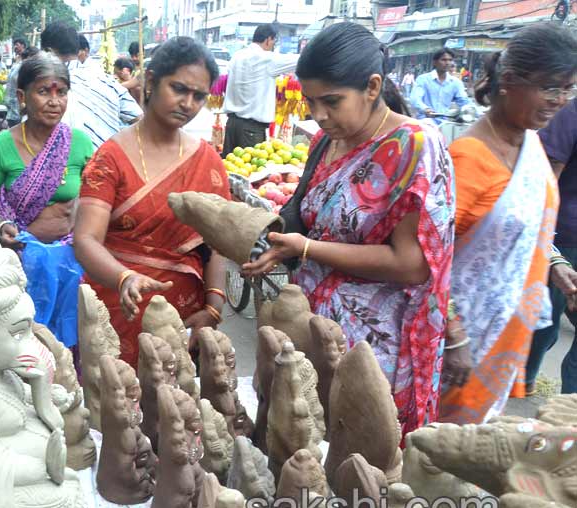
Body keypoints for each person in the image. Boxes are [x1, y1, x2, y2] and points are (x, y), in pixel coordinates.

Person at [242, 21, 455, 438]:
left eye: (331, 102)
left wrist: (306, 249)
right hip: (314, 330)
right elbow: (308, 210)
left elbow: (411, 264)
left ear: (372, 87)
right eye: (310, 102)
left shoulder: (414, 146)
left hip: (373, 348)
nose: (318, 115)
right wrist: (276, 244)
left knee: (359, 461)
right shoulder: (330, 139)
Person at [441, 23, 577, 424]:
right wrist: (455, 337)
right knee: (439, 447)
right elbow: (429, 259)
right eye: (551, 88)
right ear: (510, 82)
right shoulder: (469, 158)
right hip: (463, 338)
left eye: (568, 89)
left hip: (504, 332)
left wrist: (554, 264)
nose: (560, 101)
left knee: (473, 445)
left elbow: (527, 223)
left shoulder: (531, 143)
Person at [73, 36, 229, 367]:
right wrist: (124, 277)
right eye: (179, 89)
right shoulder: (110, 158)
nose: (188, 103)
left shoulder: (208, 161)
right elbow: (86, 239)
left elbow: (217, 244)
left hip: (185, 314)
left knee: (180, 411)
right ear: (152, 82)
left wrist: (214, 307)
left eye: (198, 96)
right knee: (120, 406)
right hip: (121, 304)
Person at [0, 53, 94, 347]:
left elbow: (95, 202)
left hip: (69, 266)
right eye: (44, 92)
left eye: (61, 92)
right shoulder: (1, 146)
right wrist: (1, 227)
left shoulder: (79, 143)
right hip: (19, 267)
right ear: (22, 97)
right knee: (22, 346)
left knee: (68, 346)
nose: (54, 101)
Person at [526, 98, 577, 396]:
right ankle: (525, 382)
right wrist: (549, 249)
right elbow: (546, 181)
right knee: (545, 322)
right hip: (566, 236)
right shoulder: (571, 114)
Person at [41, 21, 141, 150]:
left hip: (67, 166)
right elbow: (140, 120)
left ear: (48, 52)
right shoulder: (109, 82)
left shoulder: (46, 87)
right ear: (77, 50)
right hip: (108, 164)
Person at [221, 24, 298, 156]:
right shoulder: (267, 59)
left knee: (230, 169)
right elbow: (301, 60)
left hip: (232, 125)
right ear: (269, 40)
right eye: (274, 42)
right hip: (251, 130)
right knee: (249, 172)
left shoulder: (237, 56)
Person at [409, 49, 469, 121]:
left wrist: (471, 111)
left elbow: (464, 101)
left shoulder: (456, 83)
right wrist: (425, 109)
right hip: (425, 121)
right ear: (435, 62)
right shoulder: (423, 79)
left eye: (450, 60)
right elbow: (415, 99)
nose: (447, 63)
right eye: (444, 60)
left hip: (445, 122)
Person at [4, 45, 39, 128]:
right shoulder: (24, 70)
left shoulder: (17, 66)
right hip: (17, 110)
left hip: (12, 108)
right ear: (30, 57)